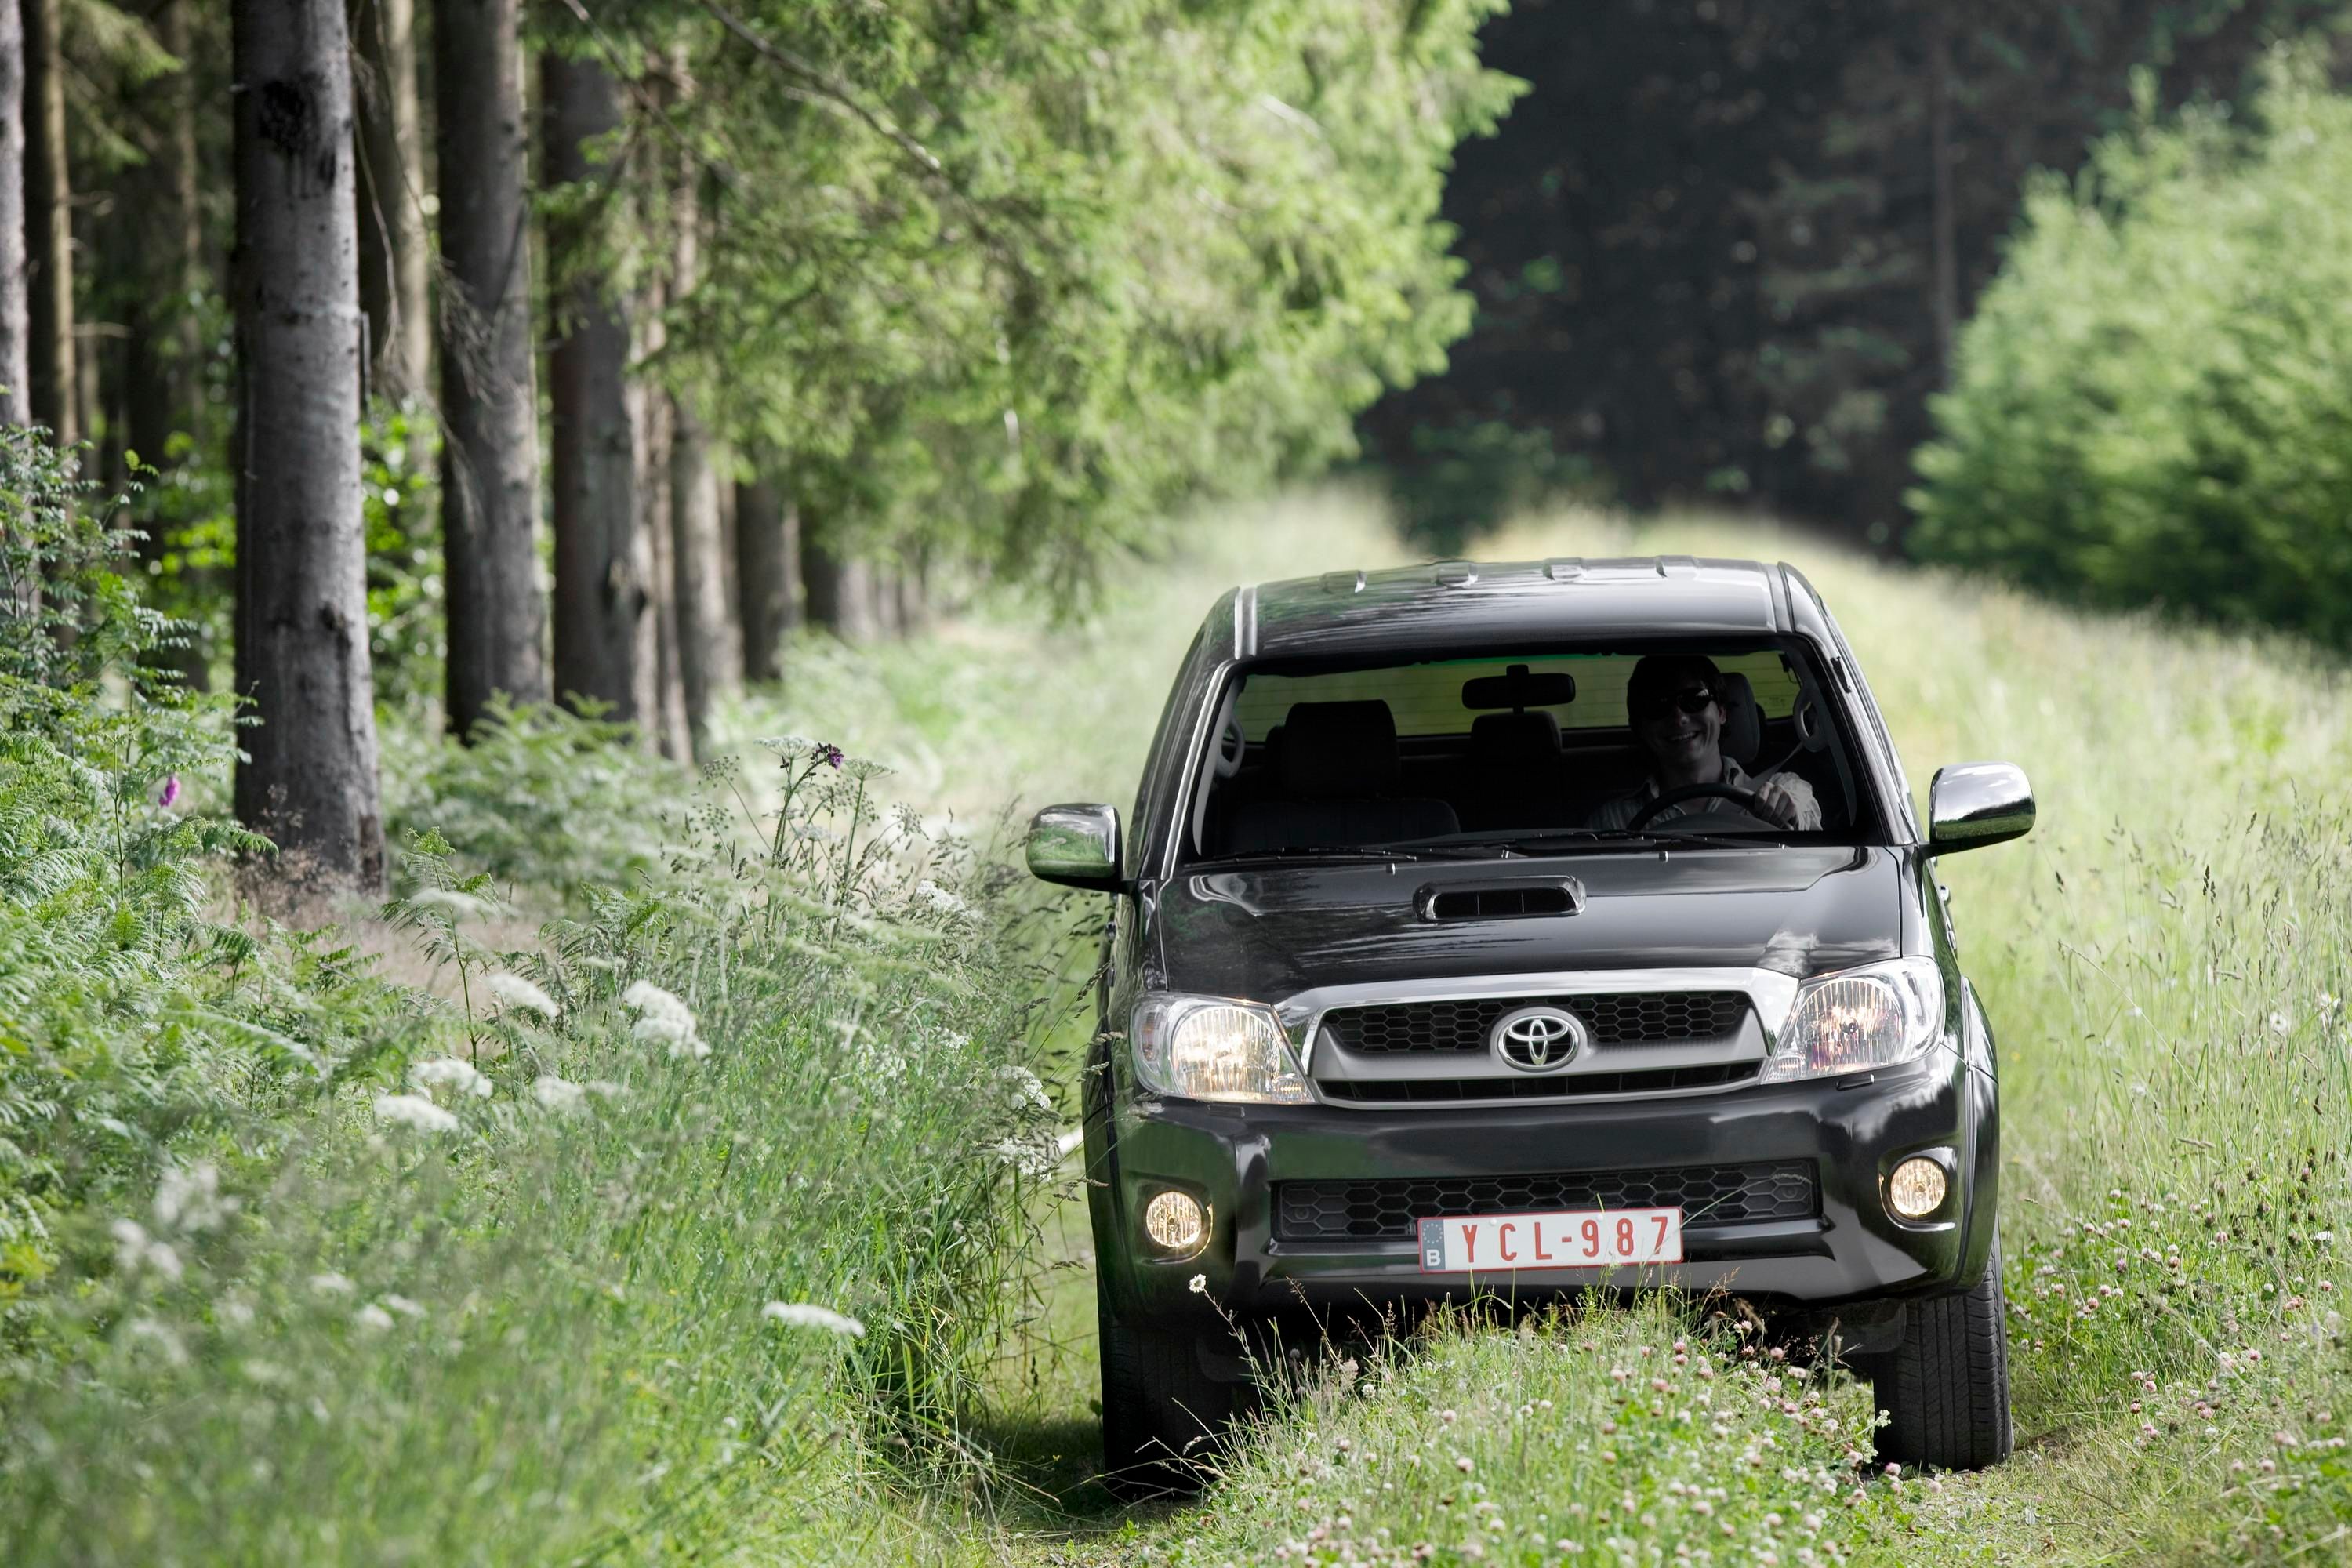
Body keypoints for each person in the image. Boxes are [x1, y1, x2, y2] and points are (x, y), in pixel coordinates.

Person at [1586, 653, 1822, 831]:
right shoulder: (1611, 821)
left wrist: (1786, 812)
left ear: (1721, 711)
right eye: (1658, 706)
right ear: (1640, 727)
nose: (1679, 718)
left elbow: (1804, 811)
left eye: (1694, 699)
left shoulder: (1781, 787)